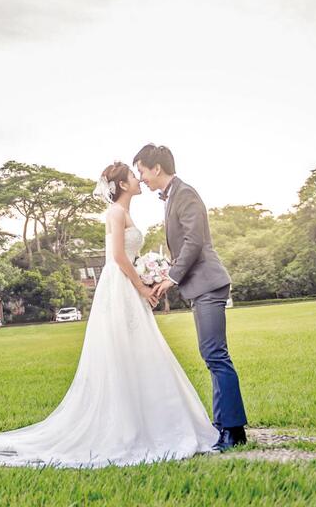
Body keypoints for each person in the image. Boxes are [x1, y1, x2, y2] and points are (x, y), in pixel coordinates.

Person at [0, 162, 219, 468]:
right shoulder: (115, 212)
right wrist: (143, 287)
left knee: (140, 351)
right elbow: (117, 257)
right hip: (120, 285)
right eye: (133, 176)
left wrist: (148, 273)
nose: (138, 179)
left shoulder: (125, 212)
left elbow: (127, 257)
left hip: (126, 285)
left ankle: (150, 421)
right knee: (125, 351)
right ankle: (128, 427)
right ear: (121, 184)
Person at [133, 143, 248, 451]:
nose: (141, 178)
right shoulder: (173, 196)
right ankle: (223, 424)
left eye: (142, 171)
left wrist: (171, 277)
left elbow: (194, 242)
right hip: (200, 286)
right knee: (212, 354)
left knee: (215, 354)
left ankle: (233, 430)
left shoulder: (185, 194)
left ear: (157, 168)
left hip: (208, 283)